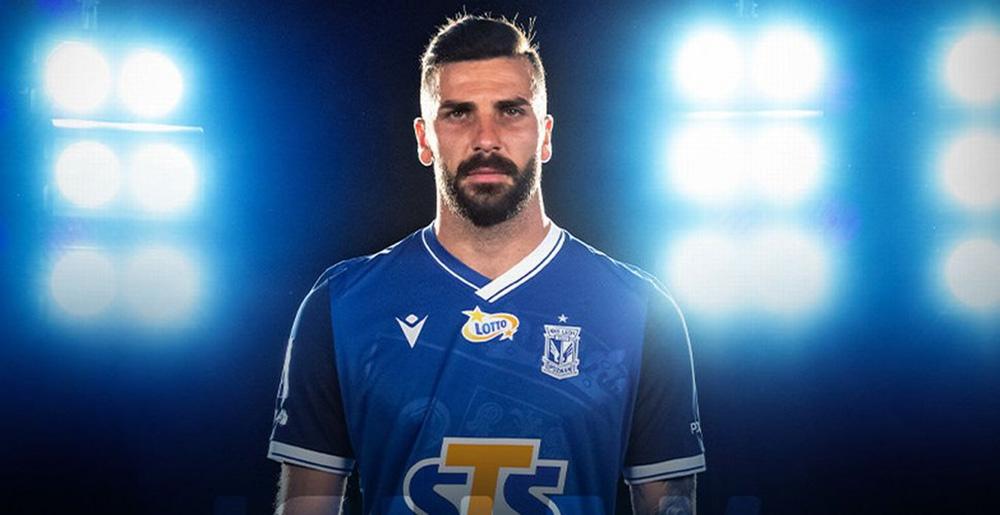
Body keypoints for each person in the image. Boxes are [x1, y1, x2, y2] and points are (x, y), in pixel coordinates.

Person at [268, 14, 705, 515]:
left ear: (545, 134)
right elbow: (306, 505)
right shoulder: (342, 305)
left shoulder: (639, 309)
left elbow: (669, 505)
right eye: (458, 114)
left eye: (511, 111)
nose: (486, 139)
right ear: (424, 139)